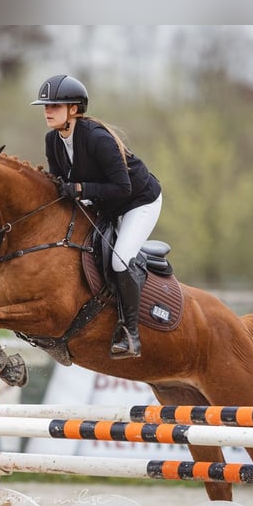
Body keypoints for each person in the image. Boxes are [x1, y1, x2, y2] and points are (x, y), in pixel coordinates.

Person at [31, 74, 163, 359]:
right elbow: (58, 182)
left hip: (138, 201)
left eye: (55, 105)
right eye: (46, 105)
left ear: (74, 109)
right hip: (103, 203)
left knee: (119, 258)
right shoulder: (53, 140)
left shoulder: (97, 139)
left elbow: (122, 187)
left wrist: (80, 188)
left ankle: (130, 333)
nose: (47, 110)